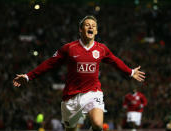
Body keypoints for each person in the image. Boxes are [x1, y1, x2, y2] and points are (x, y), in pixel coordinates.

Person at [13, 15, 146, 131]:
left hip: (93, 92)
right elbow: (49, 63)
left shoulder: (101, 49)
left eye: (93, 26)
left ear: (96, 31)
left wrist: (130, 72)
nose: (91, 27)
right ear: (80, 30)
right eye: (87, 25)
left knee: (98, 125)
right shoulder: (69, 48)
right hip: (71, 96)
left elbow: (115, 61)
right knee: (70, 128)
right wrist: (28, 76)